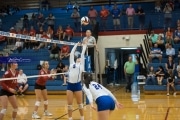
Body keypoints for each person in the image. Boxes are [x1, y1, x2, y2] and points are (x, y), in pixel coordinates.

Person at [66, 43, 87, 120]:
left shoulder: (82, 65)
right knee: (69, 105)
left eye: (81, 58)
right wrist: (76, 45)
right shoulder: (72, 63)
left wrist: (84, 46)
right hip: (70, 85)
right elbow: (71, 53)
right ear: (76, 59)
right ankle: (70, 118)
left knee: (80, 104)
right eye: (78, 58)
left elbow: (82, 54)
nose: (80, 58)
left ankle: (82, 117)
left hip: (77, 85)